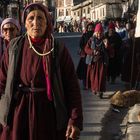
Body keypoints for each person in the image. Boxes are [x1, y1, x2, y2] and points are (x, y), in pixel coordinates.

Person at [0, 3, 83, 140]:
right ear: (24, 24)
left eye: (40, 18)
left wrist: (74, 119)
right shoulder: (13, 48)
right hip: (19, 113)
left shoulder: (58, 49)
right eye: (31, 18)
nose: (35, 23)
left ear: (47, 23)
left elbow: (71, 87)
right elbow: (2, 83)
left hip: (48, 114)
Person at [85, 23, 109, 98]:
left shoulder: (105, 40)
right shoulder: (91, 40)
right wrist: (93, 52)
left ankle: (101, 91)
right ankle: (95, 89)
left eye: (100, 33)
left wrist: (107, 46)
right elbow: (86, 49)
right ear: (95, 33)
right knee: (93, 77)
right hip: (93, 61)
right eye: (98, 33)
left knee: (101, 77)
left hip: (102, 61)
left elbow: (109, 50)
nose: (99, 35)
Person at [76, 22, 94, 89]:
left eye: (91, 27)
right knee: (84, 70)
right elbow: (81, 44)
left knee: (92, 70)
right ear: (87, 28)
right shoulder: (84, 35)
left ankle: (91, 84)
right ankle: (85, 84)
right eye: (89, 27)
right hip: (85, 55)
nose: (90, 29)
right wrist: (85, 49)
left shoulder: (94, 35)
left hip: (92, 55)